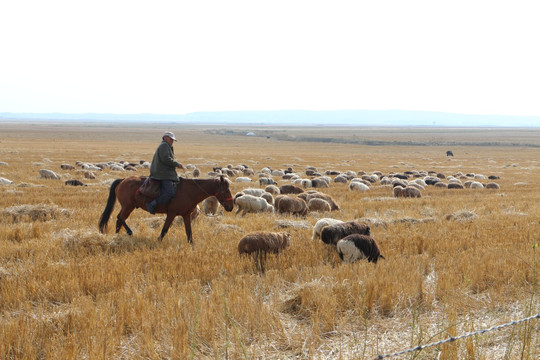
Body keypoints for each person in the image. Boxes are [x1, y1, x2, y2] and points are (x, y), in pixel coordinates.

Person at [146, 131, 183, 214]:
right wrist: (177, 164)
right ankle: (152, 204)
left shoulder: (167, 146)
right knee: (170, 192)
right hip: (162, 173)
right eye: (171, 139)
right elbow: (166, 159)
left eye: (173, 140)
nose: (172, 141)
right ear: (165, 138)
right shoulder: (164, 146)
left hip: (163, 172)